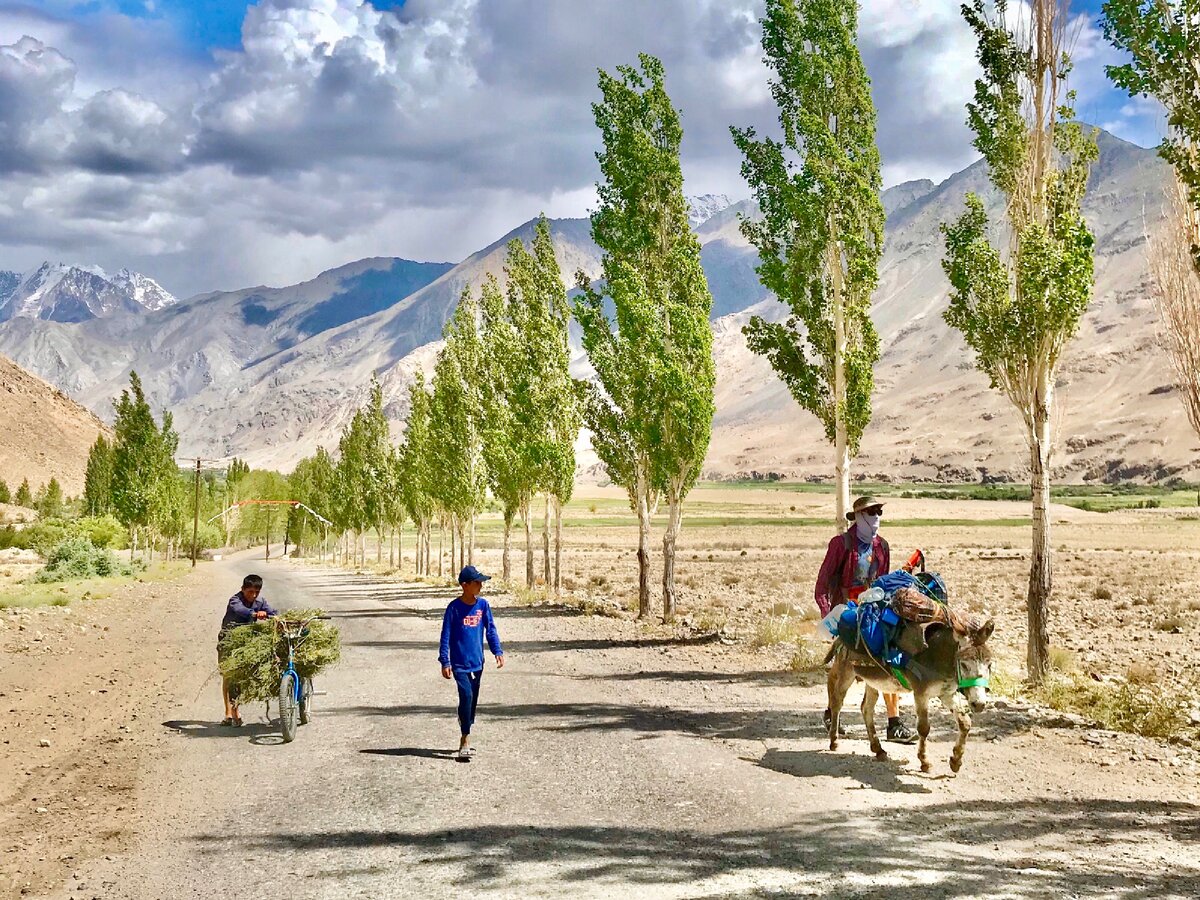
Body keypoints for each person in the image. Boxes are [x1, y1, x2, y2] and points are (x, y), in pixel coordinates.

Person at [815, 496, 917, 744]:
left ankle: (894, 723)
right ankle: (833, 712)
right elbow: (822, 584)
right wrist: (829, 615)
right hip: (847, 612)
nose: (876, 517)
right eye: (871, 512)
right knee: (843, 668)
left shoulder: (882, 546)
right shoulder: (841, 544)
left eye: (879, 511)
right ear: (858, 516)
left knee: (887, 659)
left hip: (874, 611)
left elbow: (882, 582)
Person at [439, 564, 505, 761]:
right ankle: (465, 739)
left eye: (481, 582)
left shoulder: (483, 605)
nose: (480, 586)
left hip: (478, 662)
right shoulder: (453, 608)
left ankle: (465, 718)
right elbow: (446, 636)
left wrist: (497, 650)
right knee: (466, 695)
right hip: (459, 663)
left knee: (472, 700)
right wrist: (445, 660)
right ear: (465, 585)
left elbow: (491, 630)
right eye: (477, 582)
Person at [217, 574, 277, 726]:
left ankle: (235, 708)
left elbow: (273, 612)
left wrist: (273, 616)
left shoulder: (260, 601)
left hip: (246, 642)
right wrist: (255, 614)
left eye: (257, 592)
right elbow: (241, 611)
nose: (253, 595)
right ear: (242, 589)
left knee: (242, 676)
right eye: (250, 591)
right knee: (229, 676)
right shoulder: (234, 600)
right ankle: (229, 712)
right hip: (228, 641)